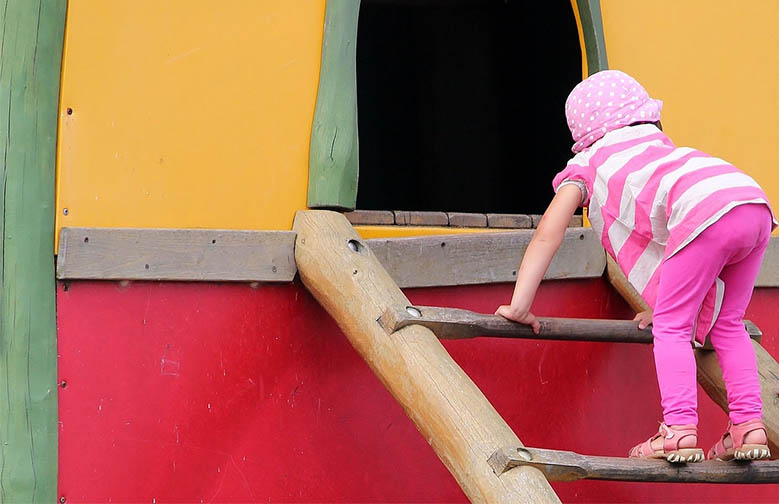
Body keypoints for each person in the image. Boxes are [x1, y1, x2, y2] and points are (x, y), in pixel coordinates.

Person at [495, 70, 776, 463]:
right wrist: (663, 303)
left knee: (671, 327)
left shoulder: (588, 164)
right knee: (729, 324)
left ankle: (678, 431)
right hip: (753, 204)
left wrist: (520, 304)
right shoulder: (658, 147)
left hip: (705, 212)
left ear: (584, 133)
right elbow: (687, 254)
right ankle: (748, 428)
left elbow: (548, 233)